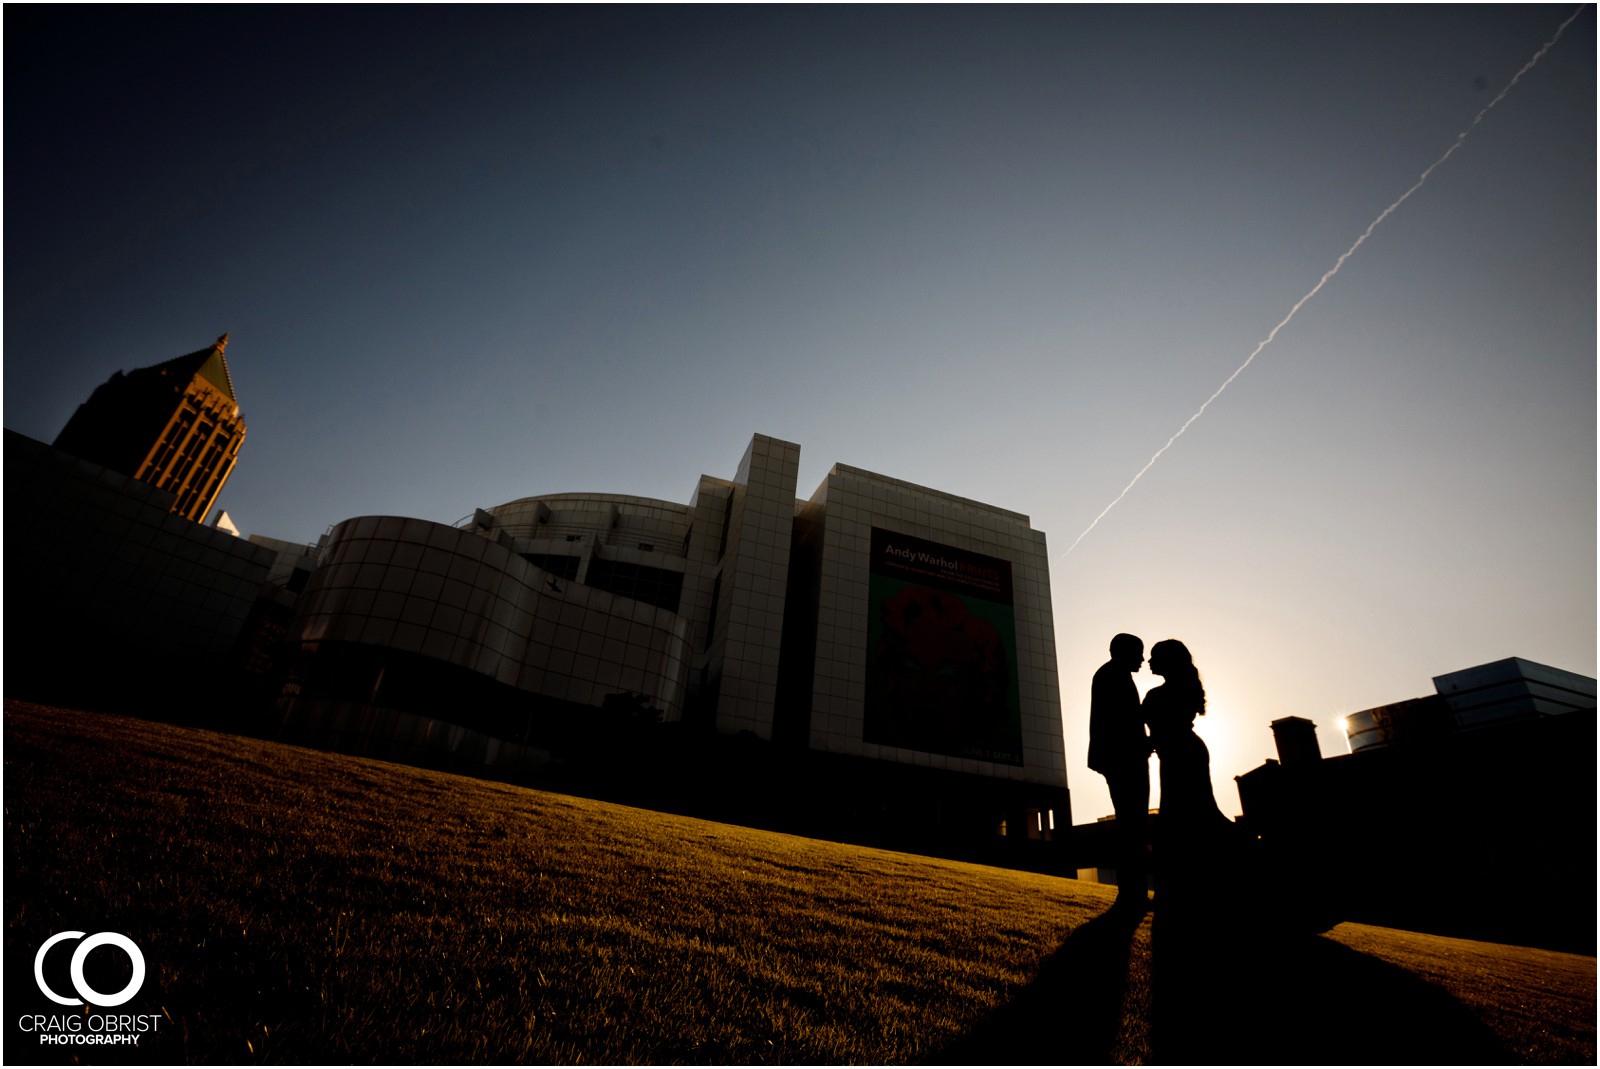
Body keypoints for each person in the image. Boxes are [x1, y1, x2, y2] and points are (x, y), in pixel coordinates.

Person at [1142, 639, 1229, 909]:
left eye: (1155, 656)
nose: (1149, 661)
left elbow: (1159, 731)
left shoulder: (1161, 695)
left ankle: (1176, 890)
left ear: (1168, 660)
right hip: (1179, 754)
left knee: (1183, 817)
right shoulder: (1168, 692)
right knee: (1186, 816)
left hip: (1182, 755)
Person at [1088, 633, 1152, 913]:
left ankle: (1133, 891)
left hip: (1122, 758)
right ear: (1125, 652)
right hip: (1124, 760)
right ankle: (1132, 893)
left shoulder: (1112, 674)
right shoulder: (1113, 675)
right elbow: (1120, 723)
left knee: (1132, 824)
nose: (1142, 659)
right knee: (1132, 825)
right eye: (1139, 652)